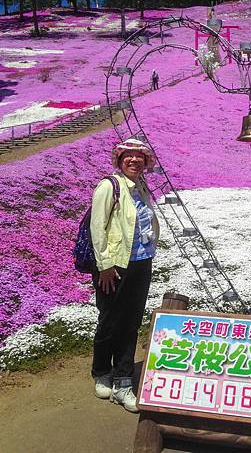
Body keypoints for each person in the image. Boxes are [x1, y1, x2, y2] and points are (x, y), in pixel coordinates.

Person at [90, 138, 159, 413]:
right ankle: (101, 372)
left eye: (139, 157)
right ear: (119, 161)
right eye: (128, 157)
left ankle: (122, 380)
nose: (134, 160)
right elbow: (98, 227)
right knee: (109, 319)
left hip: (141, 262)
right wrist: (104, 266)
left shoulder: (141, 186)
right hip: (115, 266)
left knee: (131, 321)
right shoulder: (109, 186)